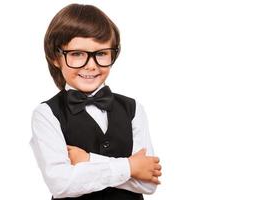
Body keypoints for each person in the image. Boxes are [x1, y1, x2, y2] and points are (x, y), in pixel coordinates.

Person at [30, 3, 162, 200]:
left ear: (113, 54)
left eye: (101, 54)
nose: (91, 65)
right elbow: (61, 183)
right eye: (76, 54)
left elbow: (148, 182)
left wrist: (88, 160)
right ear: (55, 57)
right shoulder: (46, 114)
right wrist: (131, 167)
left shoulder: (133, 109)